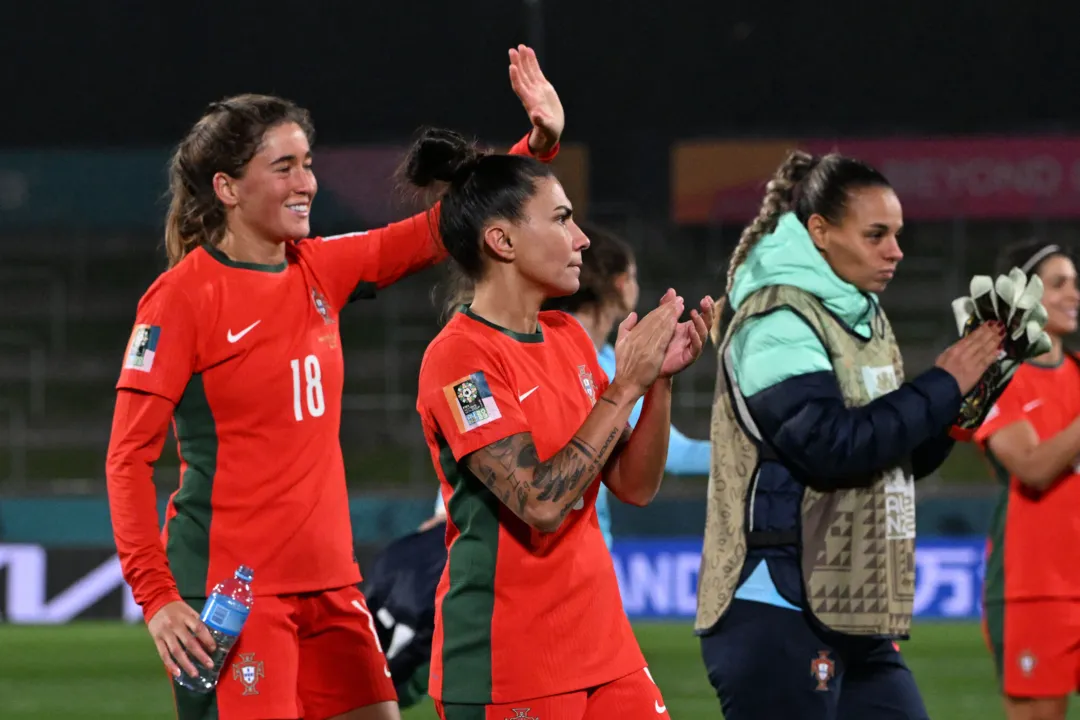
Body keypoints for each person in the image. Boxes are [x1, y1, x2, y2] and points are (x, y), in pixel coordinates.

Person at [104, 45, 564, 720]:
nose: (306, 183)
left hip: (332, 585)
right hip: (235, 593)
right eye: (283, 166)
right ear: (228, 188)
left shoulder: (320, 269)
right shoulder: (180, 300)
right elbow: (128, 458)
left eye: (308, 164)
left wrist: (538, 145)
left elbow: (443, 229)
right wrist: (158, 596)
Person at [410, 127, 713, 719]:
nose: (580, 240)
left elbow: (635, 486)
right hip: (508, 664)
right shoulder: (459, 358)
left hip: (605, 647)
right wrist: (624, 386)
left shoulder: (569, 336)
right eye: (562, 220)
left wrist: (656, 383)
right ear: (501, 240)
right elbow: (539, 502)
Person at [696, 149, 1006, 720]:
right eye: (876, 235)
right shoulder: (777, 321)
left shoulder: (862, 314)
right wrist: (943, 382)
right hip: (777, 604)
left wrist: (967, 397)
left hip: (849, 607)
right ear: (819, 231)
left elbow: (892, 454)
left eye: (898, 234)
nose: (896, 251)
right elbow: (832, 447)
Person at [543, 222, 710, 547]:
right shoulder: (564, 351)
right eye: (632, 275)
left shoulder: (607, 355)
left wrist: (661, 380)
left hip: (585, 556)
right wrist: (759, 451)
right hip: (547, 558)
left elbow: (636, 484)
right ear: (619, 283)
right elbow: (678, 455)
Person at [974, 240, 1080, 720]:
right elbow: (1033, 467)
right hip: (1035, 590)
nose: (1073, 293)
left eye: (1075, 283)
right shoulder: (1000, 378)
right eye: (1058, 284)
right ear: (1024, 296)